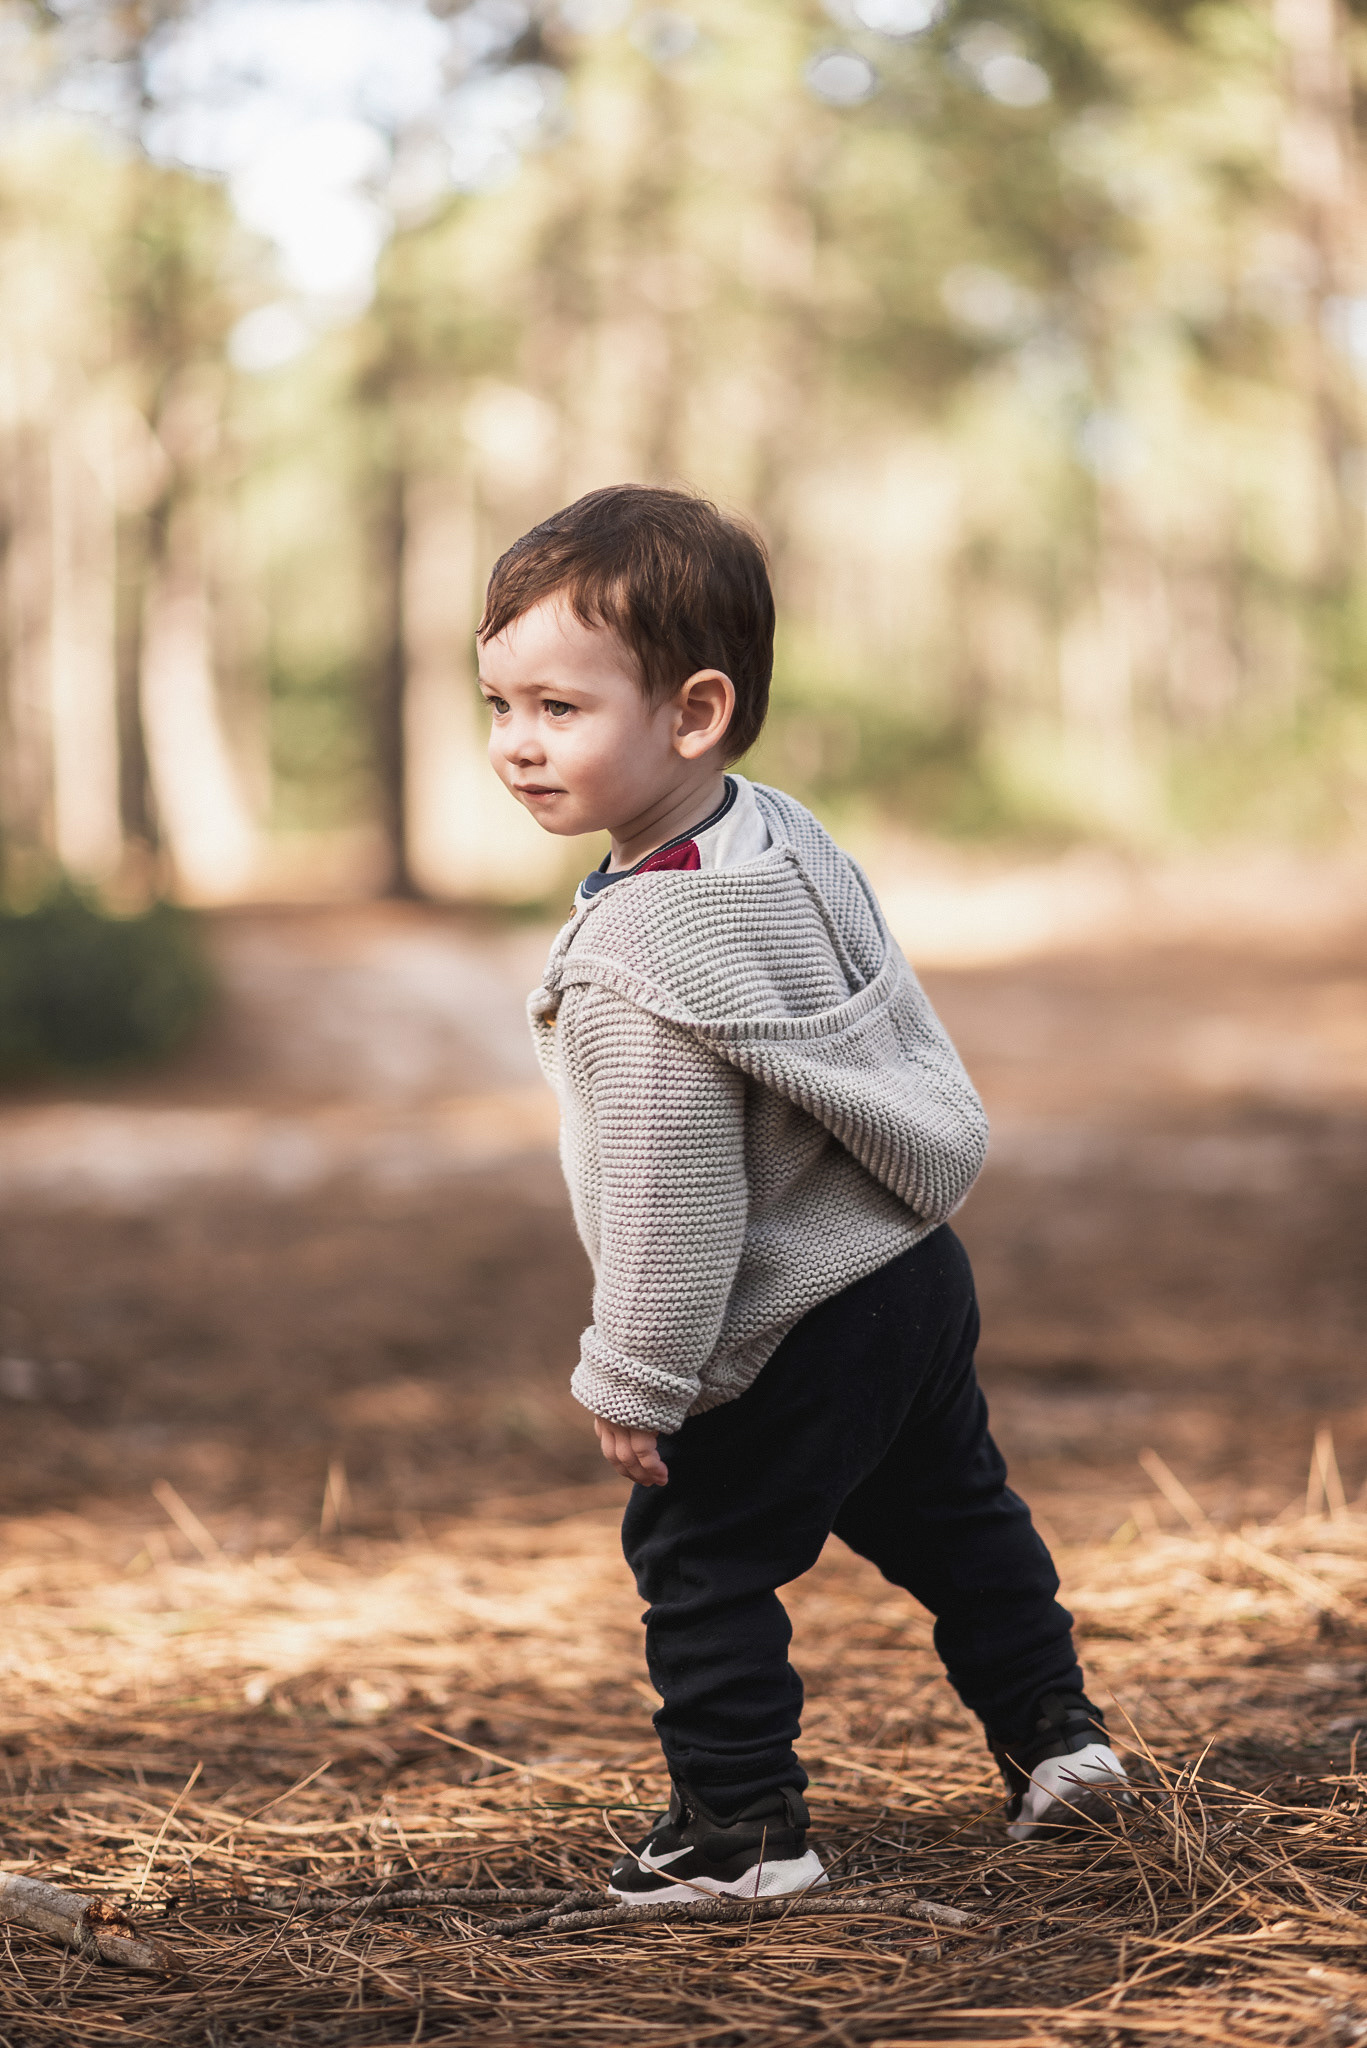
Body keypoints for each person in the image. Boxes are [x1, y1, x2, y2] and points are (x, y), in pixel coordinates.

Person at [476, 483, 1130, 1904]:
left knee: (700, 1557)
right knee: (960, 1516)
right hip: (906, 1267)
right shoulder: (777, 840)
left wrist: (636, 1375)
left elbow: (673, 1198)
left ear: (693, 713)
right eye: (500, 703)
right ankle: (1059, 1741)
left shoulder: (639, 959)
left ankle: (743, 1832)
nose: (517, 745)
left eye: (559, 709)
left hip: (791, 1314)